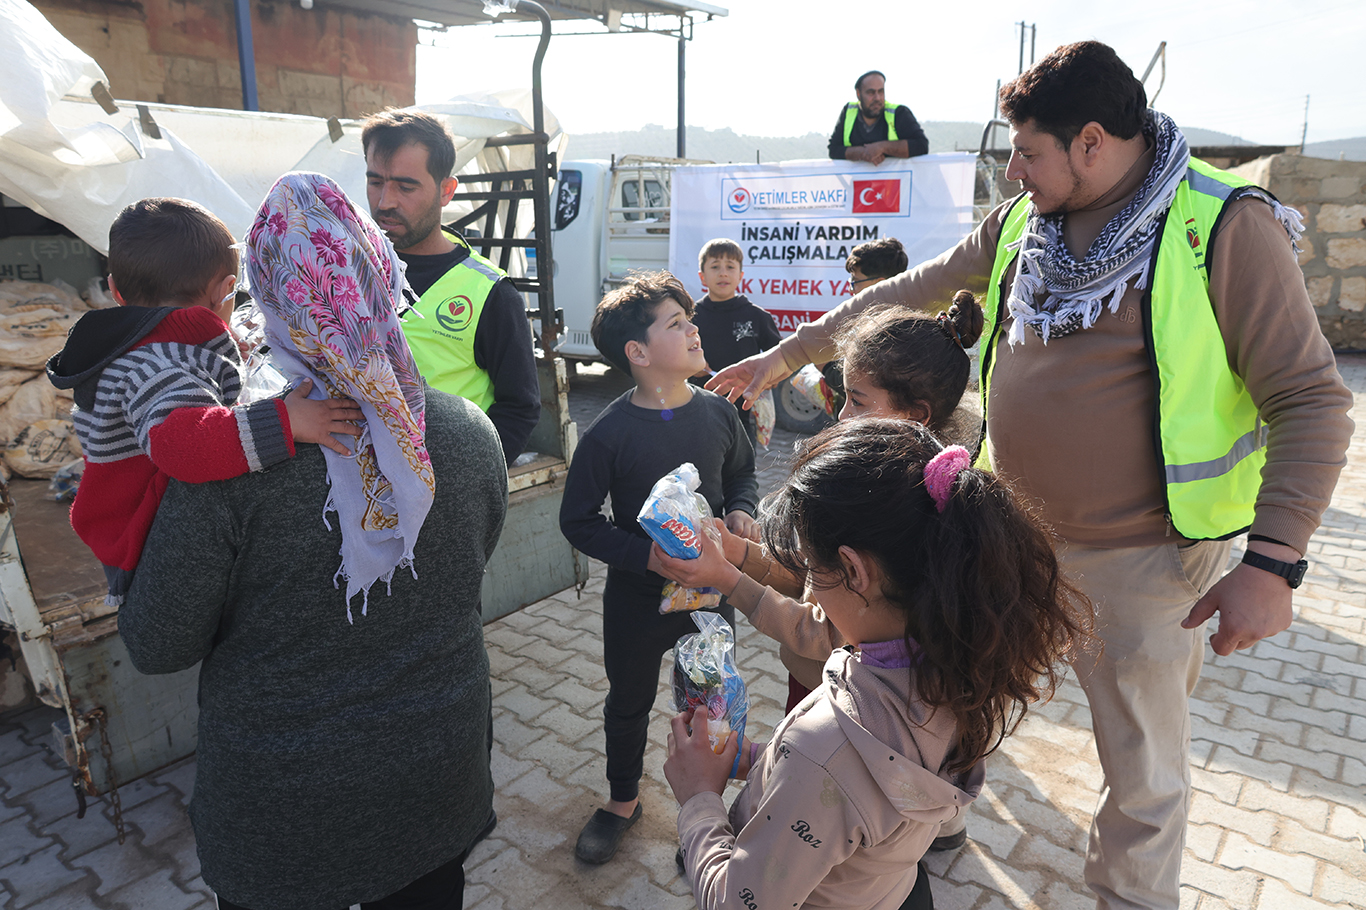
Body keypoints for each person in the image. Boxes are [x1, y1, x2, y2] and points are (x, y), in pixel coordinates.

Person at [710, 40, 1355, 910]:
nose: (1012, 172)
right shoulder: (1028, 221)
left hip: (1147, 562)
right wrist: (790, 353)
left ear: (1093, 141)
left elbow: (1311, 399)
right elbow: (909, 290)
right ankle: (929, 819)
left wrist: (1273, 565)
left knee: (1142, 772)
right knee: (955, 688)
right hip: (1009, 536)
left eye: (1027, 152)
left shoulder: (1222, 224)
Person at [119, 173, 508, 910]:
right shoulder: (465, 433)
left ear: (262, 296)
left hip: (285, 820)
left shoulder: (231, 462)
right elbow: (468, 563)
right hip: (437, 777)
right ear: (378, 274)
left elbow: (158, 644)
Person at [657, 418, 1092, 910]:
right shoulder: (960, 665)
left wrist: (699, 800)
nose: (810, 590)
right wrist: (755, 759)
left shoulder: (827, 744)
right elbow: (854, 797)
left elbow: (740, 901)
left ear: (855, 571)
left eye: (812, 570)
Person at [46, 197, 361, 606]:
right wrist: (285, 420)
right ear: (227, 289)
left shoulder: (151, 349)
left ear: (115, 290)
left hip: (135, 516)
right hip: (144, 542)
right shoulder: (158, 366)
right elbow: (184, 446)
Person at [558, 271, 759, 865]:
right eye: (677, 323)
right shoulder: (609, 435)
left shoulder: (721, 415)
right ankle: (624, 802)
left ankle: (704, 817)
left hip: (710, 598)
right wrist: (645, 554)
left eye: (689, 318)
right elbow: (579, 522)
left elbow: (743, 475)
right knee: (628, 701)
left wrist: (744, 512)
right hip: (636, 602)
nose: (694, 328)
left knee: (710, 705)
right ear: (638, 353)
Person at [361, 108, 540, 465]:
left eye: (405, 185)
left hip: (444, 499)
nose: (385, 202)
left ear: (446, 191)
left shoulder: (490, 292)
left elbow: (520, 409)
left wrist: (465, 483)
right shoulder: (344, 270)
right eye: (376, 181)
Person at [690, 238, 781, 448]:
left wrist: (767, 380)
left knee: (743, 471)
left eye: (730, 267)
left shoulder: (757, 316)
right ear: (702, 277)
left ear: (740, 275)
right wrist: (692, 367)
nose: (723, 273)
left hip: (742, 413)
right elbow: (675, 357)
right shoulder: (691, 318)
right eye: (715, 267)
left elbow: (779, 360)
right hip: (700, 410)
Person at [828, 71, 929, 164]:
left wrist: (882, 147)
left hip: (896, 182)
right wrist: (862, 153)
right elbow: (833, 149)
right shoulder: (849, 112)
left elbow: (921, 145)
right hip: (858, 182)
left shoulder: (899, 113)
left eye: (881, 91)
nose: (877, 98)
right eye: (871, 93)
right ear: (858, 94)